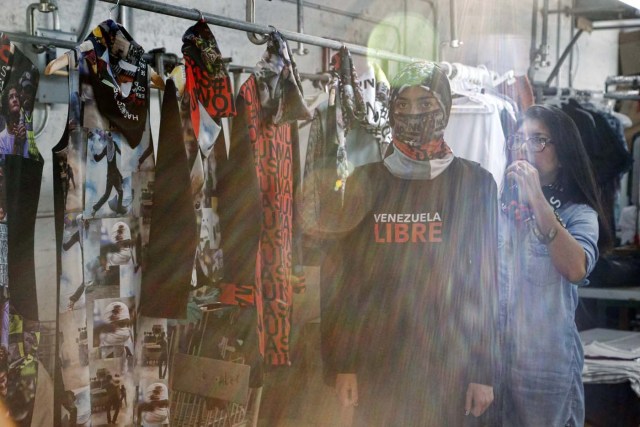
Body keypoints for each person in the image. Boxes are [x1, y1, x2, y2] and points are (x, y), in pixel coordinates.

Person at [327, 62, 498, 426]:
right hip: (378, 361)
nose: (412, 114)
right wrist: (343, 364)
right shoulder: (365, 182)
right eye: (402, 105)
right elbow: (344, 280)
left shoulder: (474, 184)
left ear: (445, 109)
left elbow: (486, 282)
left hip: (448, 362)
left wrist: (484, 371)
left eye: (425, 103)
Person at [498, 105, 609, 426]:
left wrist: (536, 197)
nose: (524, 148)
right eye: (518, 139)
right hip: (495, 360)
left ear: (562, 153)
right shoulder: (500, 206)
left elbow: (576, 268)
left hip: (544, 367)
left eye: (537, 140)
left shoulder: (579, 214)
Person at [92, 131, 126, 216]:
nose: (110, 139)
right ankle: (118, 210)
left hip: (111, 175)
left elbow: (98, 158)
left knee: (108, 195)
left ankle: (95, 209)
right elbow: (120, 152)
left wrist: (94, 154)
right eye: (110, 137)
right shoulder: (112, 145)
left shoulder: (108, 147)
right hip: (114, 175)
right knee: (118, 193)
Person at [0, 84, 28, 157]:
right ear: (6, 107)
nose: (15, 99)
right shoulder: (1, 139)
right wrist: (16, 144)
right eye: (11, 97)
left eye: (17, 96)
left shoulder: (28, 131)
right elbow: (8, 167)